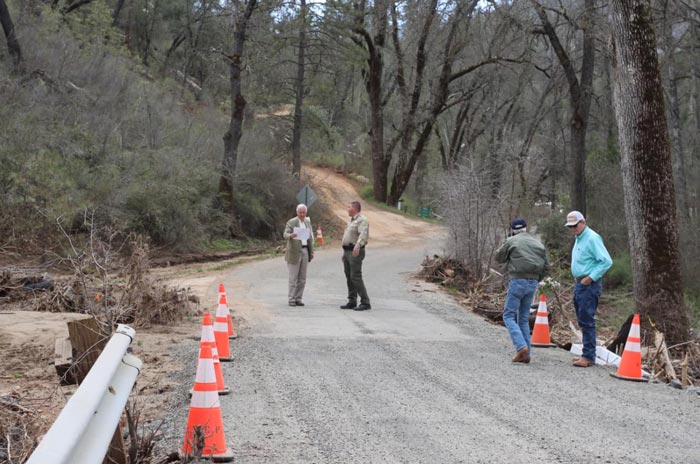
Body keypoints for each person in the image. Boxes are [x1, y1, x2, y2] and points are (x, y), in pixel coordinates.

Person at [496, 218, 549, 364]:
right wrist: (536, 280)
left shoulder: (511, 241)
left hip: (517, 280)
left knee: (508, 315)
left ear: (513, 230)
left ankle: (521, 348)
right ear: (526, 229)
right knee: (524, 319)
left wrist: (505, 244)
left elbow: (499, 258)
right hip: (532, 282)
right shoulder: (538, 244)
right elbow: (547, 267)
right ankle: (527, 355)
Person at [565, 210, 613, 367]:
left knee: (587, 319)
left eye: (575, 225)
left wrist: (590, 278)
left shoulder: (592, 238)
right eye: (570, 227)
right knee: (582, 318)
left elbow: (606, 261)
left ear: (583, 222)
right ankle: (586, 353)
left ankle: (588, 356)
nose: (573, 229)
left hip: (589, 284)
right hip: (580, 283)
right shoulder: (579, 238)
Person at [340, 201, 371, 311]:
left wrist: (357, 246)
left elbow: (363, 235)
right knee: (349, 276)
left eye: (349, 207)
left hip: (355, 251)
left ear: (355, 208)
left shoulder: (362, 220)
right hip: (347, 251)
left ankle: (365, 302)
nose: (347, 209)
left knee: (355, 276)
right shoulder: (352, 220)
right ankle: (352, 300)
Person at [283, 204, 314, 306]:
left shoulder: (307, 222)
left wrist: (311, 251)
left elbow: (310, 238)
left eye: (303, 212)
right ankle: (291, 299)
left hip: (305, 250)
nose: (302, 214)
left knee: (302, 278)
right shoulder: (291, 222)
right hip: (294, 252)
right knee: (293, 277)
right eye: (300, 212)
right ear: (297, 212)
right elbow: (285, 234)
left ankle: (298, 298)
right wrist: (290, 235)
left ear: (306, 213)